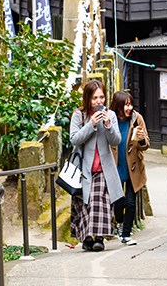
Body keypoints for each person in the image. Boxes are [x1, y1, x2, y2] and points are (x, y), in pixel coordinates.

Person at [69, 79, 123, 252]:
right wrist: (91, 124)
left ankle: (99, 238)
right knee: (86, 203)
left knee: (100, 202)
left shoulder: (111, 115)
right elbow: (74, 139)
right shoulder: (79, 115)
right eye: (94, 98)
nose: (99, 101)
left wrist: (107, 125)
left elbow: (116, 141)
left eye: (101, 97)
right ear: (87, 98)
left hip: (103, 168)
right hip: (83, 168)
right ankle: (87, 238)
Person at [109, 90, 150, 245]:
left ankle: (126, 234)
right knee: (118, 201)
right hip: (115, 165)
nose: (129, 108)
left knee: (131, 202)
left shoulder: (136, 118)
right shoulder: (110, 119)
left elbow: (146, 144)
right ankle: (119, 224)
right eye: (125, 105)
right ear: (117, 105)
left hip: (133, 166)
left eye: (130, 104)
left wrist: (141, 140)